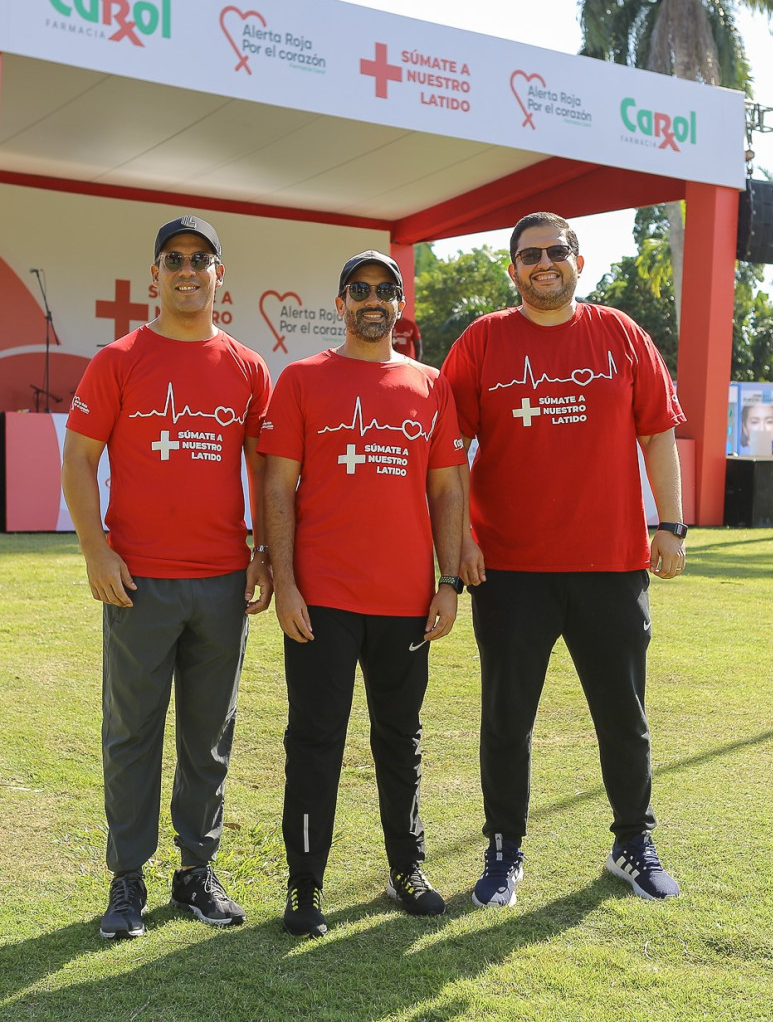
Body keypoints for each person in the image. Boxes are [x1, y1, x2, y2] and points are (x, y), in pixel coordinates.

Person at [441, 211, 687, 906]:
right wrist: (459, 540)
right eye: (528, 255)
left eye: (555, 251)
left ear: (578, 258)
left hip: (610, 563)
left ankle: (632, 842)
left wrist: (669, 524)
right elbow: (448, 452)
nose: (542, 263)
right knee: (507, 717)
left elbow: (658, 434)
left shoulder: (620, 334)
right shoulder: (483, 341)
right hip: (511, 569)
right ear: (512, 268)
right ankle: (503, 850)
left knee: (623, 715)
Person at [61, 215, 272, 940]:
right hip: (139, 583)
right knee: (132, 733)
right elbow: (80, 459)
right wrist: (96, 550)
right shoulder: (118, 361)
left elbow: (264, 469)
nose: (188, 270)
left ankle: (195, 874)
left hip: (220, 585)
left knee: (208, 736)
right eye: (174, 259)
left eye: (201, 259)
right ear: (155, 275)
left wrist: (264, 553)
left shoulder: (246, 367)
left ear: (220, 277)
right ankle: (127, 882)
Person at [260, 250, 465, 936]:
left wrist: (449, 582)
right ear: (341, 302)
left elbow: (446, 491)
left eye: (385, 290)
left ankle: (406, 870)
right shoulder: (301, 380)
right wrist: (285, 584)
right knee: (314, 741)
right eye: (360, 290)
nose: (373, 300)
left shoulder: (431, 385)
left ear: (399, 303)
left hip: (407, 600)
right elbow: (277, 488)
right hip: (323, 602)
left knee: (400, 740)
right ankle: (305, 886)